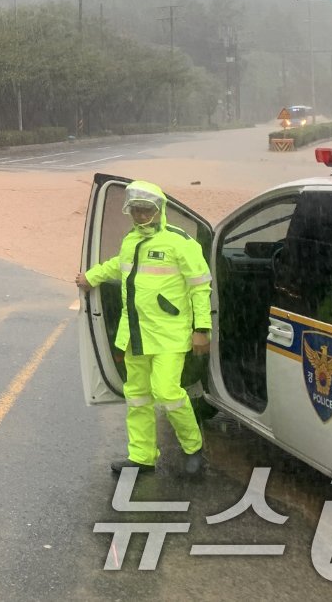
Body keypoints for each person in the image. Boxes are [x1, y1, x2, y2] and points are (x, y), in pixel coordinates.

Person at [75, 180, 212, 478]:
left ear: (159, 209)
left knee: (167, 392)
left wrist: (202, 328)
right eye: (135, 210)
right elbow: (117, 266)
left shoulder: (180, 242)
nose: (140, 215)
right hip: (135, 335)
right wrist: (91, 276)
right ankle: (142, 457)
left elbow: (201, 287)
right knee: (136, 396)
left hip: (169, 336)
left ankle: (194, 450)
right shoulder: (131, 240)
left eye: (146, 210)